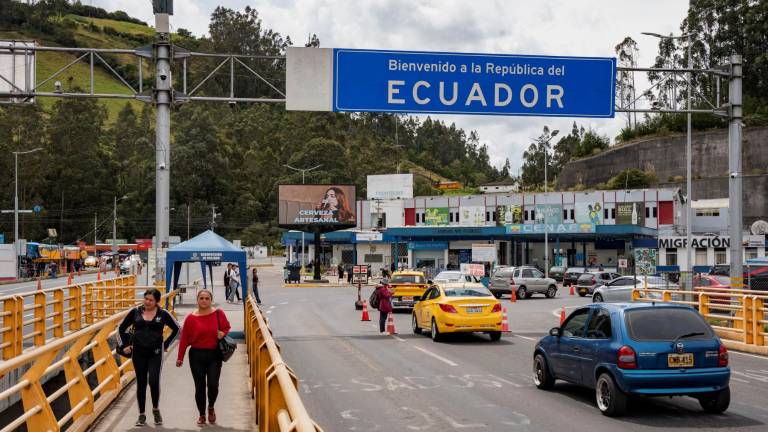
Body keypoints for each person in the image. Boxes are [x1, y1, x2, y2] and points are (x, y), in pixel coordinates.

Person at [118, 289, 180, 427]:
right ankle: (141, 414)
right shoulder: (135, 312)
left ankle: (156, 409)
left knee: (153, 381)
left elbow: (177, 329)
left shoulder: (163, 314)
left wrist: (166, 344)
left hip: (156, 354)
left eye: (151, 300)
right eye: (146, 299)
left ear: (157, 301)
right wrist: (124, 346)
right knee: (141, 383)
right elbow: (120, 328)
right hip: (138, 354)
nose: (147, 302)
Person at [176, 290, 231, 426]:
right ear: (197, 300)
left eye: (207, 298)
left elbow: (226, 327)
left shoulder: (218, 314)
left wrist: (222, 333)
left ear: (211, 300)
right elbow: (184, 339)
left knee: (213, 384)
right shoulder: (190, 318)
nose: (204, 301)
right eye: (201, 298)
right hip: (196, 355)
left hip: (214, 354)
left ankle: (211, 407)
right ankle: (201, 414)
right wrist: (180, 357)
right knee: (199, 386)